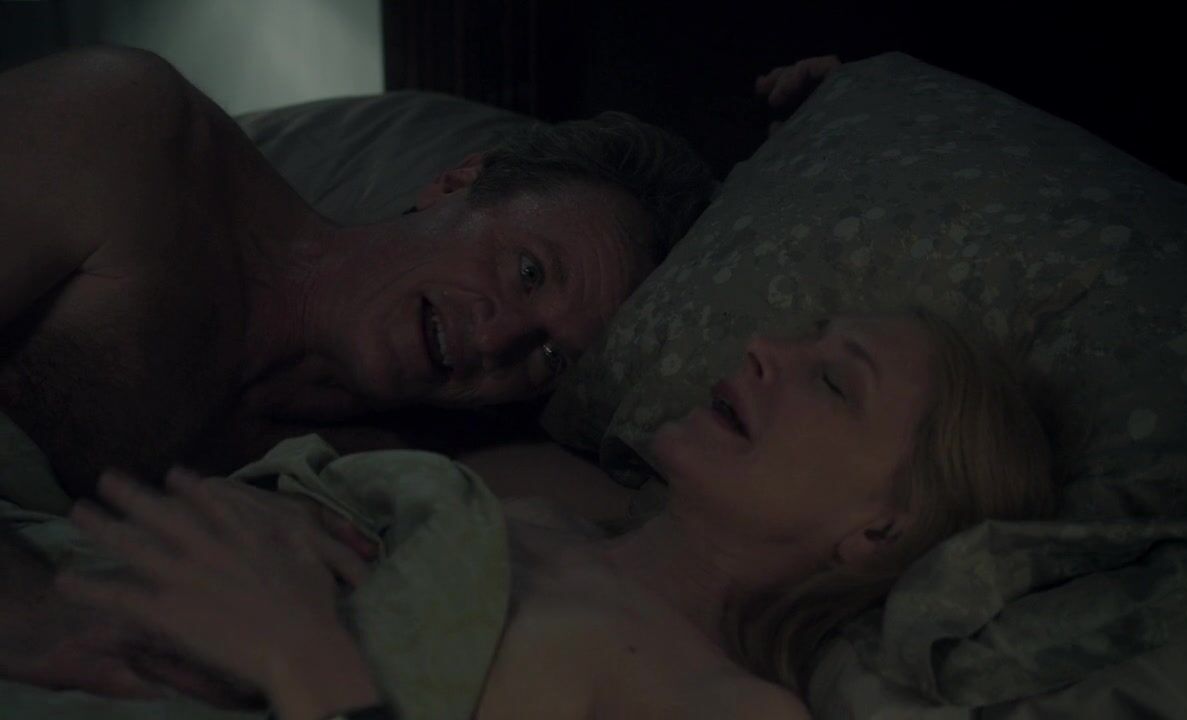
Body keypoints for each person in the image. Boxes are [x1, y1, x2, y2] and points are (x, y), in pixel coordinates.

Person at [0, 46, 712, 694]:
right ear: (459, 181)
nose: (499, 338)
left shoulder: (424, 462)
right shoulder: (132, 136)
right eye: (528, 272)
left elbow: (686, 537)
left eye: (550, 356)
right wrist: (28, 609)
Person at [57, 309, 1059, 719]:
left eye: (834, 382)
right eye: (802, 338)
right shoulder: (544, 500)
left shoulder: (730, 708)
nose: (765, 349)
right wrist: (269, 512)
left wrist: (303, 658)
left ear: (879, 530)